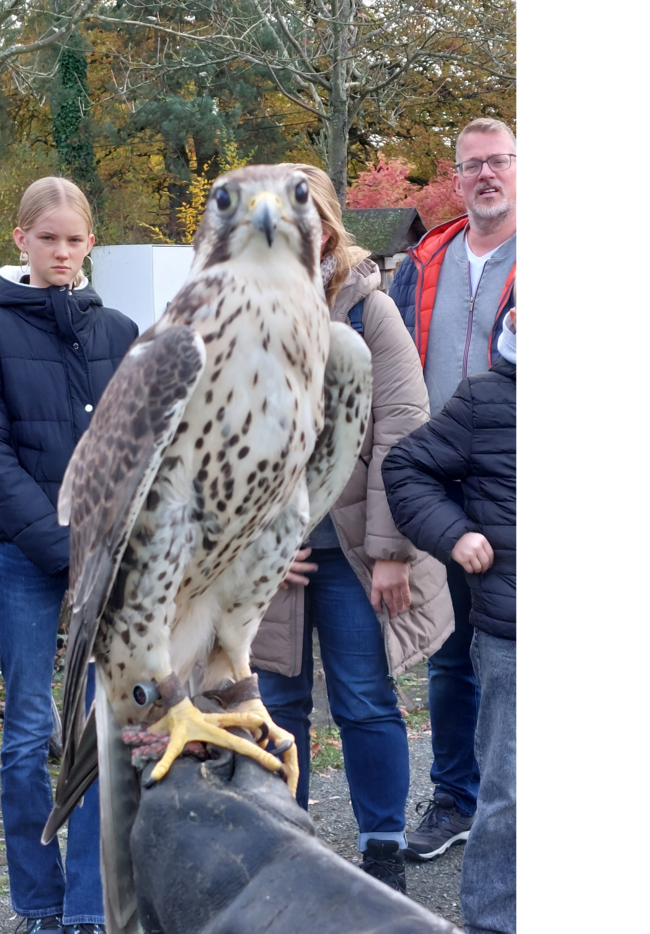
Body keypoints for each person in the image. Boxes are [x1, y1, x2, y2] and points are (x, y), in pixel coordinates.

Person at [248, 164, 455, 895]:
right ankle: (286, 848)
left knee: (365, 699)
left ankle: (381, 852)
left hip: (358, 551)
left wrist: (392, 550)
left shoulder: (370, 310)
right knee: (276, 707)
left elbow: (402, 432)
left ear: (328, 227)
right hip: (278, 552)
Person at [0, 176, 138, 934]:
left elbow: (150, 448)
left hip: (110, 565)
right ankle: (38, 900)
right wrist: (60, 546)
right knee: (26, 736)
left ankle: (86, 904)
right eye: (47, 237)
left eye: (74, 239)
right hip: (25, 558)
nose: (62, 251)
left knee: (100, 734)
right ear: (20, 239)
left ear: (90, 243)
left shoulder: (117, 330)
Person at [385, 117, 518, 861]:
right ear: (457, 176)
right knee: (448, 652)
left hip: (510, 477)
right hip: (437, 477)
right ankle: (456, 799)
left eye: (499, 161)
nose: (486, 175)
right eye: (473, 165)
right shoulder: (424, 259)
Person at [382, 286, 518, 934]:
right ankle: (493, 920)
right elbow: (406, 466)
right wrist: (455, 534)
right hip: (510, 633)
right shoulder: (482, 400)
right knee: (508, 789)